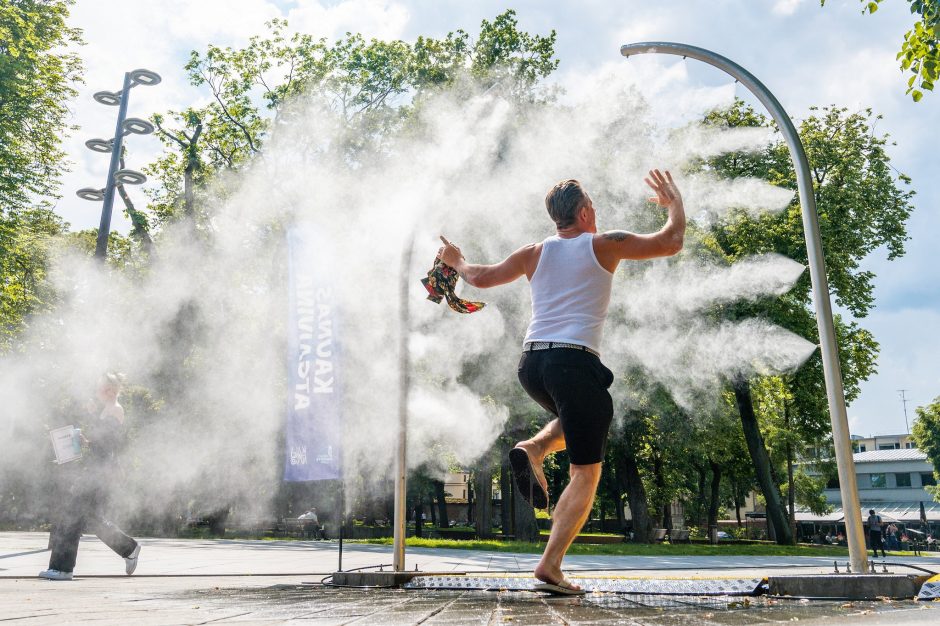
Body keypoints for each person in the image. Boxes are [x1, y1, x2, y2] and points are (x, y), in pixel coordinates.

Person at [439, 171, 685, 594]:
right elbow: (671, 241)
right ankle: (550, 566)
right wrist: (674, 204)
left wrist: (455, 261)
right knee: (585, 472)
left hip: (531, 365)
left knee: (574, 420)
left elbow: (478, 277)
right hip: (572, 363)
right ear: (586, 212)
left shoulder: (533, 252)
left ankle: (533, 448)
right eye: (594, 206)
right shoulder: (604, 242)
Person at [39, 373, 140, 581]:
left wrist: (91, 427)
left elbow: (108, 444)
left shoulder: (115, 410)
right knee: (91, 518)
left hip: (99, 471)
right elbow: (101, 443)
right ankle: (129, 548)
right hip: (96, 469)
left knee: (72, 513)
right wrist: (84, 440)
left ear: (109, 391)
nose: (96, 392)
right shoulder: (107, 410)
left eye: (98, 388)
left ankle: (62, 568)